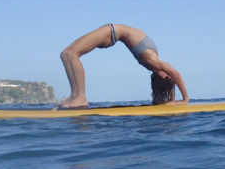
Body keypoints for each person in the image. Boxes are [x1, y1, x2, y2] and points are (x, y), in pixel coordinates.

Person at [58, 24, 188, 108]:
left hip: (111, 32)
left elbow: (173, 78)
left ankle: (80, 97)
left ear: (160, 77)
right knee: (66, 54)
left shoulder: (154, 63)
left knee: (71, 54)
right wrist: (183, 99)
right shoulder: (155, 63)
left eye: (167, 76)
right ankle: (75, 96)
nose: (169, 73)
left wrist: (177, 99)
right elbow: (175, 76)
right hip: (112, 31)